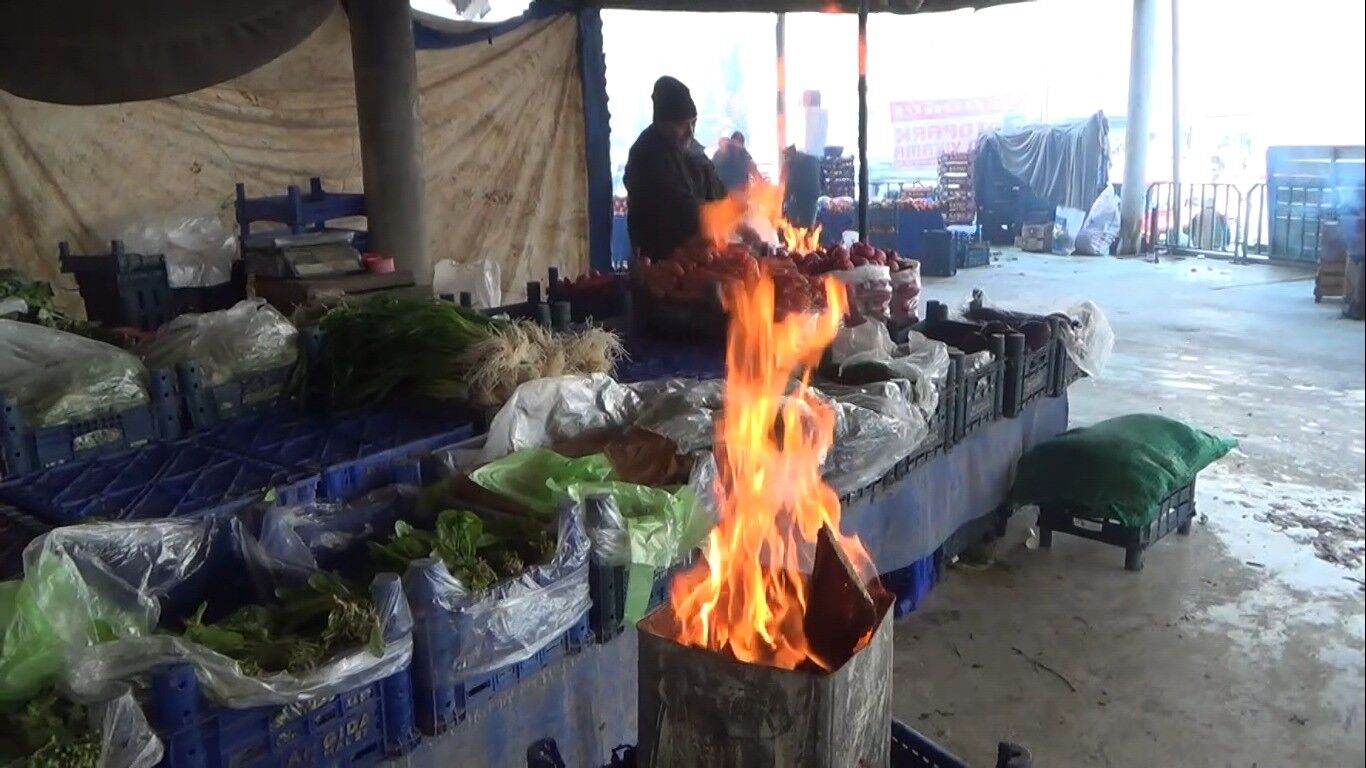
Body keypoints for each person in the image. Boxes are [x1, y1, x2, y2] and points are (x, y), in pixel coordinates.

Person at [623, 76, 726, 260]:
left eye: (693, 122)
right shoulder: (646, 154)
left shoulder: (693, 150)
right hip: (661, 262)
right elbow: (677, 209)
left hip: (702, 257)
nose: (691, 132)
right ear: (662, 123)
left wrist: (735, 208)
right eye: (682, 125)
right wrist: (712, 214)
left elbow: (718, 190)